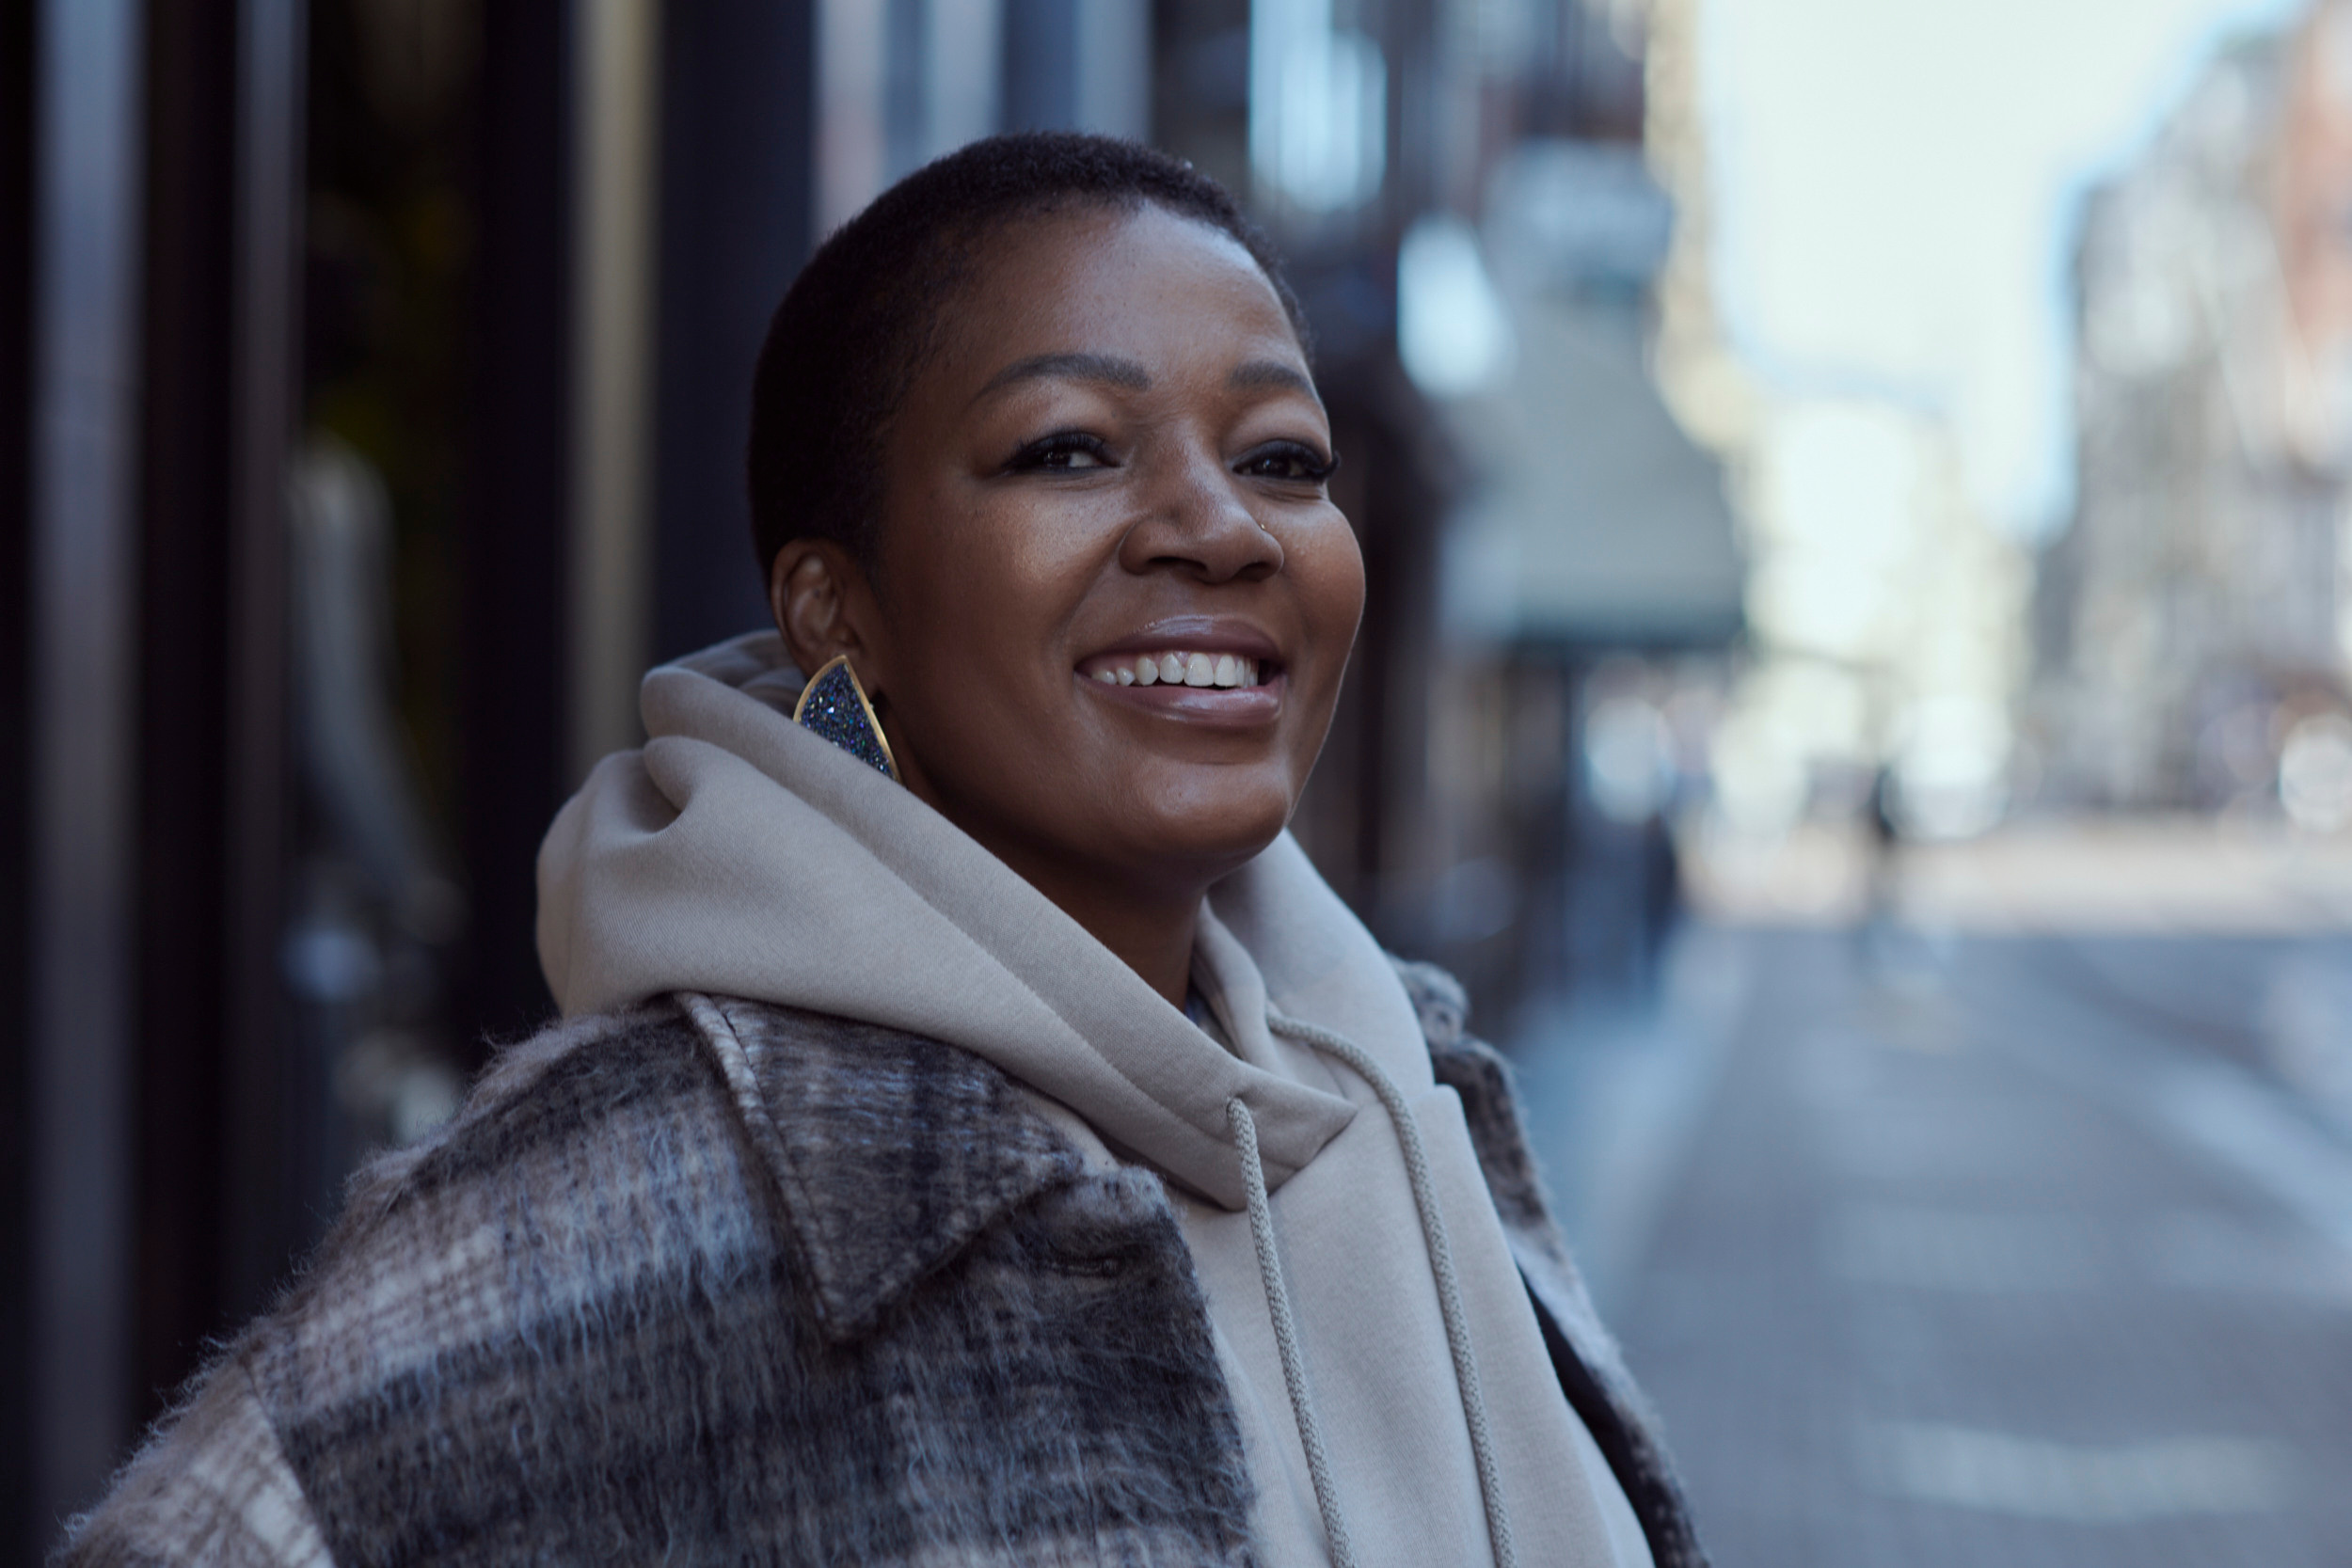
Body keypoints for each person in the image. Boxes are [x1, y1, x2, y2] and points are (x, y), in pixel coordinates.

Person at [62, 134, 1706, 1568]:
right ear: (836, 610)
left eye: (1281, 459)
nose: (1221, 527)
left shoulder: (1413, 1089)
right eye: (1070, 447)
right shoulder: (638, 1196)